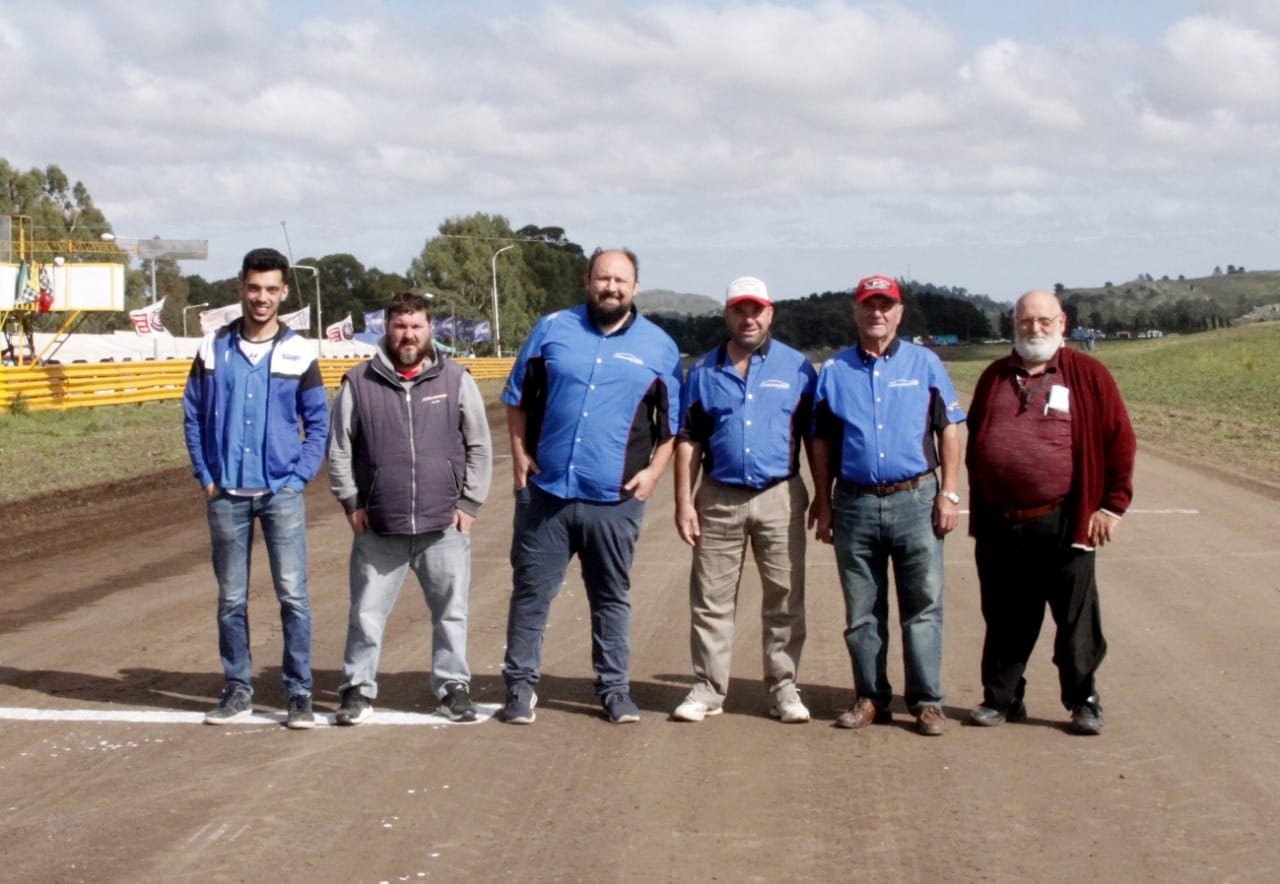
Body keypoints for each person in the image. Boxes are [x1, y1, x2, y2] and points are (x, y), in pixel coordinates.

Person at [500, 248, 682, 725]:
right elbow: (517, 398)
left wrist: (653, 474)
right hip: (547, 493)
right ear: (588, 281)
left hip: (615, 500)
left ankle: (614, 689)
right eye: (603, 278)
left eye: (621, 280)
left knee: (610, 598)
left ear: (635, 287)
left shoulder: (660, 346)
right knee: (531, 593)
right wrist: (519, 454)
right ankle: (519, 685)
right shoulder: (551, 330)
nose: (611, 288)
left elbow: (672, 428)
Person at [965, 290, 1135, 735]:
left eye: (1044, 321)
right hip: (1002, 524)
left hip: (1064, 520)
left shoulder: (1088, 374)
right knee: (1004, 616)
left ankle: (1083, 701)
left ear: (1062, 323)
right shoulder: (994, 376)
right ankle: (1002, 698)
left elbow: (1120, 440)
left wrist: (1111, 507)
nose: (1034, 329)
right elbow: (977, 440)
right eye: (1026, 321)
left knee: (1076, 620)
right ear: (1013, 325)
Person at [326, 291, 493, 726]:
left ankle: (452, 687)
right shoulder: (358, 382)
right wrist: (350, 501)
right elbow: (340, 448)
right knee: (366, 614)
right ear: (387, 328)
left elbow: (479, 444)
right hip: (380, 526)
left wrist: (470, 501)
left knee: (451, 612)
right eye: (400, 326)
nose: (408, 334)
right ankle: (357, 688)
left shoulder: (456, 379)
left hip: (444, 526)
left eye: (416, 326)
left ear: (429, 329)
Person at [809, 274, 965, 736]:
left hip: (916, 500)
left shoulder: (925, 363)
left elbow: (948, 428)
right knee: (862, 611)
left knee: (923, 607)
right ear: (855, 311)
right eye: (868, 305)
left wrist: (949, 493)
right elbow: (820, 441)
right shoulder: (834, 371)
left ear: (899, 313)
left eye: (885, 305)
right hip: (854, 503)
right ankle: (870, 697)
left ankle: (927, 702)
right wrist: (823, 502)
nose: (876, 313)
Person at [182, 247, 329, 729]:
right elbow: (191, 414)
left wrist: (298, 479)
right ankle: (238, 688)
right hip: (226, 495)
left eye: (270, 289)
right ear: (241, 289)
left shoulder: (299, 352)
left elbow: (318, 422)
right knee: (231, 600)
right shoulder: (212, 347)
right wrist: (206, 476)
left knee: (293, 597)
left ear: (284, 292)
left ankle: (299, 692)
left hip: (279, 494)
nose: (261, 297)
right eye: (253, 288)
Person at [670, 276, 817, 724]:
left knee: (785, 598)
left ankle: (784, 688)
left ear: (770, 313)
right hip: (719, 497)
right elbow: (690, 438)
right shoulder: (703, 371)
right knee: (711, 600)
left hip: (780, 496)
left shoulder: (798, 368)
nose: (748, 319)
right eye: (740, 310)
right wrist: (683, 501)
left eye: (756, 310)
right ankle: (708, 689)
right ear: (727, 314)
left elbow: (815, 437)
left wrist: (823, 498)